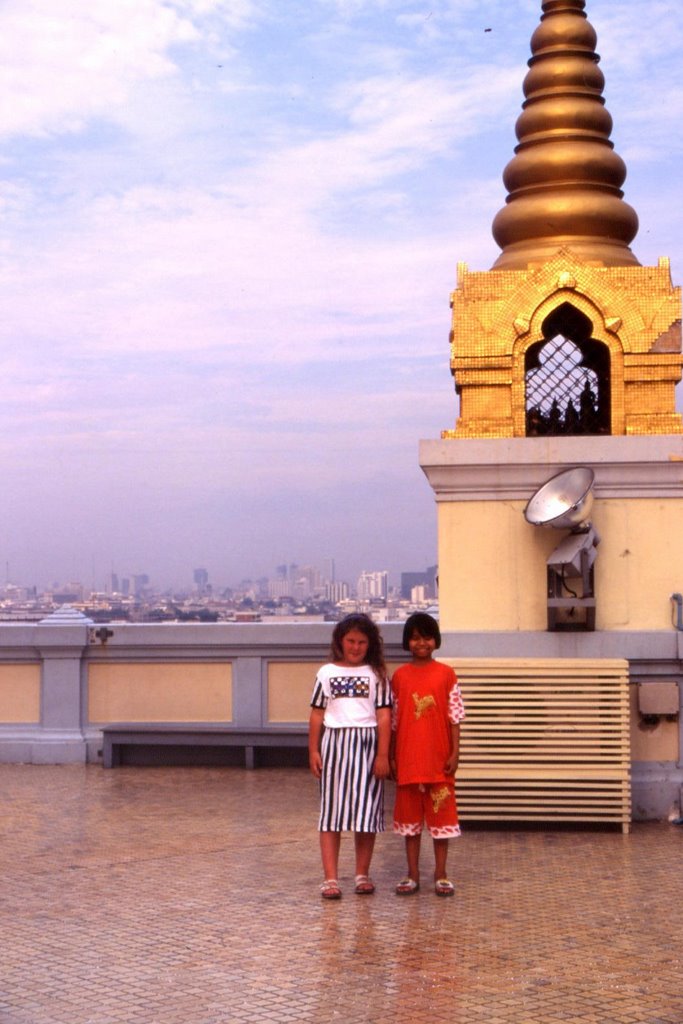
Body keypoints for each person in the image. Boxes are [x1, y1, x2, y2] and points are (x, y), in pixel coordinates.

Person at [309, 613, 392, 900]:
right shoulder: (326, 673)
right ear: (340, 642)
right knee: (331, 814)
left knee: (366, 814)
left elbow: (384, 716)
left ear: (370, 645)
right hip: (335, 745)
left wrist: (383, 754)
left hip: (367, 746)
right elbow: (317, 713)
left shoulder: (377, 675)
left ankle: (362, 873)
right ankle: (330, 878)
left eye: (362, 642)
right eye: (350, 641)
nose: (355, 647)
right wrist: (313, 750)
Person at [390, 612, 465, 897]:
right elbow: (395, 721)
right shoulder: (399, 677)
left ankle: (441, 874)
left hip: (438, 762)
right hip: (408, 762)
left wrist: (455, 752)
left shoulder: (447, 674)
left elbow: (455, 717)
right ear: (408, 642)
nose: (421, 643)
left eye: (427, 637)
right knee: (411, 825)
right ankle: (412, 874)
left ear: (436, 641)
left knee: (441, 821)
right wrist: (392, 756)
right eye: (415, 637)